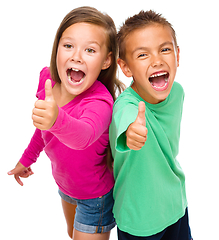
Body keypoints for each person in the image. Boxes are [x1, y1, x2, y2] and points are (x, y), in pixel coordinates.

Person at [8, 6, 124, 240]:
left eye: (90, 50)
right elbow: (43, 129)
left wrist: (56, 118)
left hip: (95, 198)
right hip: (66, 188)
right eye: (68, 45)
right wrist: (26, 159)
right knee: (72, 234)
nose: (76, 56)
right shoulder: (48, 79)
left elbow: (83, 136)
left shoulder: (100, 102)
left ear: (106, 61)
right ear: (57, 47)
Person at [109, 10, 193, 240]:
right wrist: (131, 133)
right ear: (126, 68)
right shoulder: (126, 105)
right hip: (140, 218)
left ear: (177, 55)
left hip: (176, 203)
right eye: (143, 55)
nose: (157, 60)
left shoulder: (177, 92)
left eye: (165, 49)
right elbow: (126, 120)